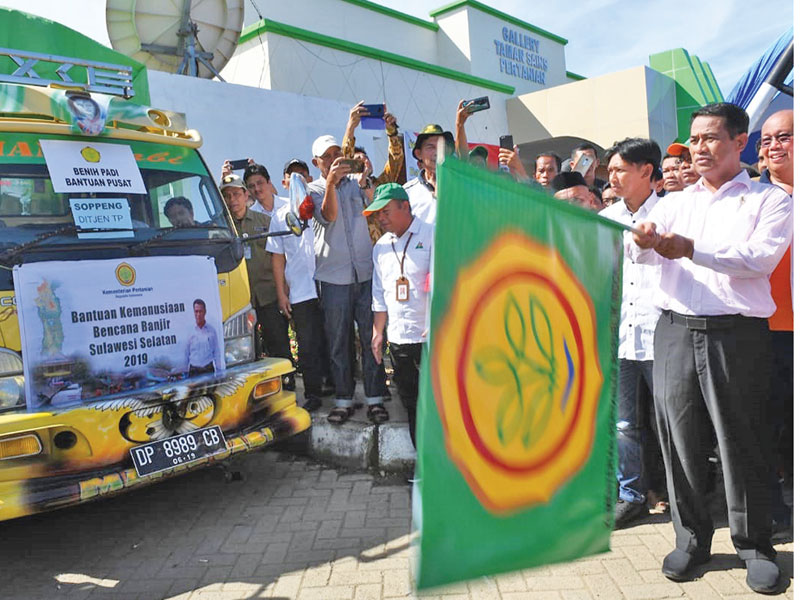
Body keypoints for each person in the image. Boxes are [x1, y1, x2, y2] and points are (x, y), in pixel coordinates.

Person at [630, 103, 792, 594]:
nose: (698, 148)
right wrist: (642, 240)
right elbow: (637, 254)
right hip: (675, 330)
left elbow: (758, 260)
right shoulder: (673, 201)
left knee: (742, 440)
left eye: (710, 138)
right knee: (679, 440)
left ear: (738, 142)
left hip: (736, 335)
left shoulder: (769, 200)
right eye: (694, 139)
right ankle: (693, 540)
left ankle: (754, 544)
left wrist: (690, 249)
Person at [600, 137, 664, 528]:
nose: (613, 178)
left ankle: (682, 496)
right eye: (609, 172)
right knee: (625, 424)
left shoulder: (675, 211)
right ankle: (632, 495)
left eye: (620, 169)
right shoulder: (606, 218)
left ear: (646, 171)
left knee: (673, 424)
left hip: (664, 335)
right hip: (622, 335)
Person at [309, 134, 389, 424]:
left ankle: (375, 398)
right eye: (326, 157)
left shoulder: (357, 183)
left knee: (373, 338)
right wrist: (330, 182)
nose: (332, 160)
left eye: (336, 154)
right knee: (338, 341)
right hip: (333, 278)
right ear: (316, 162)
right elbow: (328, 216)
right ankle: (343, 399)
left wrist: (366, 178)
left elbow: (377, 207)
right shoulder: (313, 189)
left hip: (366, 273)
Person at [366, 183, 433, 447]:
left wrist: (436, 317)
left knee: (439, 402)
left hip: (431, 337)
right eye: (377, 214)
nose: (380, 219)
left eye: (385, 212)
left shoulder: (431, 235)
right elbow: (379, 294)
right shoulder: (381, 247)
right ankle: (424, 467)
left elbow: (446, 282)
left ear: (405, 206)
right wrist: (377, 333)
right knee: (411, 401)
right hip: (399, 338)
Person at [220, 174, 294, 384]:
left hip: (268, 294)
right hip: (238, 300)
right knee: (245, 351)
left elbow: (281, 257)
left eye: (236, 194)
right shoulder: (220, 228)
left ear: (246, 195)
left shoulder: (265, 222)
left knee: (278, 344)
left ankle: (286, 385)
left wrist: (284, 291)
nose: (232, 200)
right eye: (227, 196)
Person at [758, 109, 793, 539]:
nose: (773, 147)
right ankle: (775, 508)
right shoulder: (751, 200)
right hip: (765, 332)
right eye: (766, 140)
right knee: (769, 425)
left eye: (783, 136)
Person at [267, 159, 327, 412]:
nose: (296, 181)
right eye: (291, 177)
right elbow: (277, 258)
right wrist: (282, 294)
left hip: (328, 282)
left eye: (301, 176)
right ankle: (313, 392)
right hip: (301, 290)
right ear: (283, 182)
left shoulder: (320, 208)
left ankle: (336, 384)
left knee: (334, 338)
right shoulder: (280, 217)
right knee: (307, 343)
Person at [403, 124, 454, 225]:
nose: (437, 153)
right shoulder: (407, 192)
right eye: (430, 147)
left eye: (441, 147)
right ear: (419, 154)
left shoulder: (459, 186)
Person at [185, 299, 221, 375]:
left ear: (205, 312)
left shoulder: (211, 330)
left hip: (208, 369)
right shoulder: (189, 331)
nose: (198, 314)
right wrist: (185, 373)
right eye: (196, 311)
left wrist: (219, 371)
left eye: (200, 311)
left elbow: (216, 352)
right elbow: (186, 354)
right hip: (194, 371)